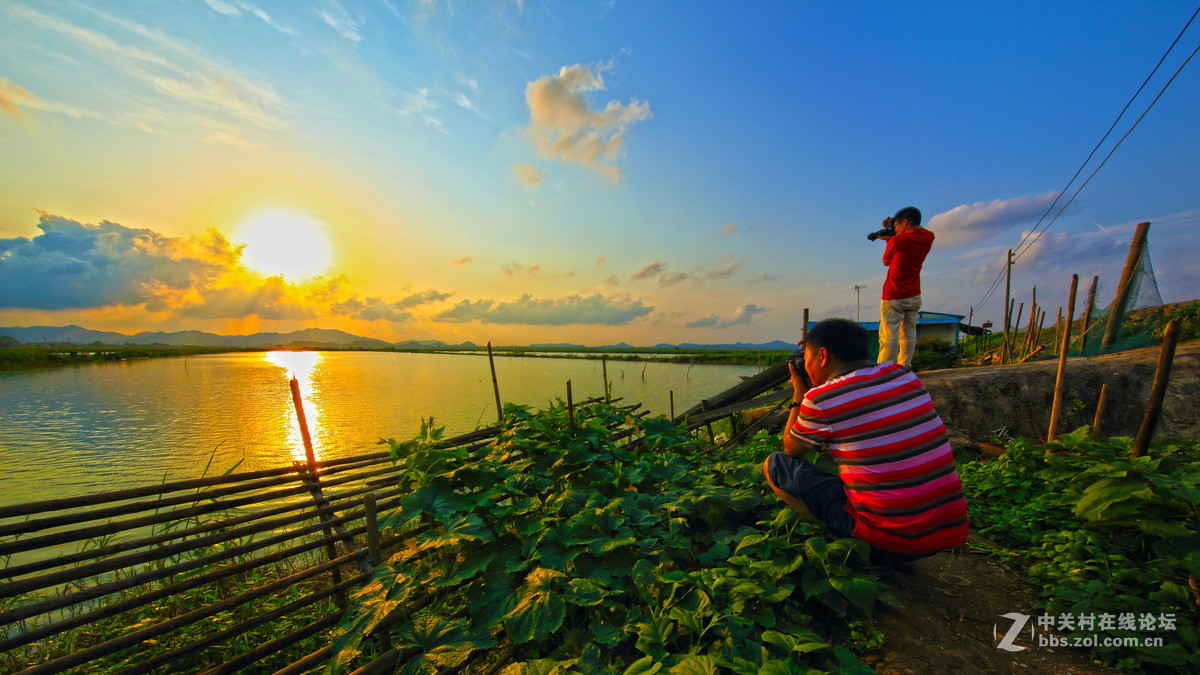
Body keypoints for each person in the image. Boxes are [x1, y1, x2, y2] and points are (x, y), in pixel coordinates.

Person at [763, 318, 968, 565]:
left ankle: (852, 550)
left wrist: (800, 394)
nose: (804, 363)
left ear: (823, 355)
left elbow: (791, 450)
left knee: (775, 465)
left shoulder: (821, 398)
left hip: (891, 543)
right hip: (950, 531)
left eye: (806, 355)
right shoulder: (903, 374)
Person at [877, 206, 932, 368]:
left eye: (897, 226)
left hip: (894, 294)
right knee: (908, 333)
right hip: (914, 294)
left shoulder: (898, 240)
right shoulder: (928, 237)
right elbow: (917, 229)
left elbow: (886, 261)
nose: (896, 229)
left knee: (889, 334)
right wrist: (894, 224)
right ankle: (905, 365)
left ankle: (886, 368)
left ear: (905, 222)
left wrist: (889, 239)